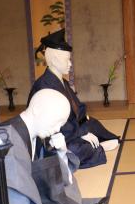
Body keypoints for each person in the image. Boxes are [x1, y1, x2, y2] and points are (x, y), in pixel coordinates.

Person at [28, 29, 119, 169]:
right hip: (53, 137)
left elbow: (78, 108)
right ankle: (98, 147)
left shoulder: (62, 82)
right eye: (67, 60)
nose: (70, 64)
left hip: (71, 128)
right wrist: (81, 133)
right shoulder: (44, 86)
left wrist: (84, 127)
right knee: (73, 149)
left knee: (92, 123)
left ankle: (96, 142)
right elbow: (53, 126)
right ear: (54, 60)